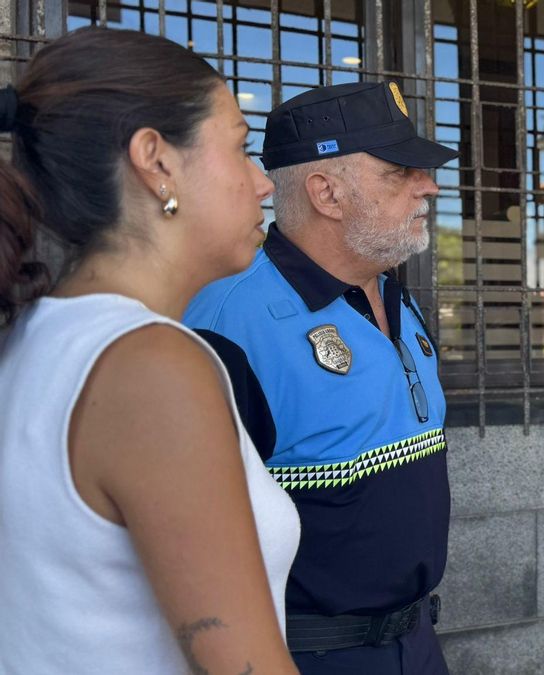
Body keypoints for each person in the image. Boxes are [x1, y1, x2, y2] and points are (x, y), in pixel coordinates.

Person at [0, 28, 299, 674]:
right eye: (241, 147)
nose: (264, 184)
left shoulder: (34, 340)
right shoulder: (150, 367)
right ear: (156, 160)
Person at [184, 80, 457, 674]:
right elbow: (188, 548)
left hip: (417, 642)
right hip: (306, 657)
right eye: (398, 171)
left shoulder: (391, 289)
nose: (429, 185)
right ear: (326, 192)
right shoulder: (229, 321)